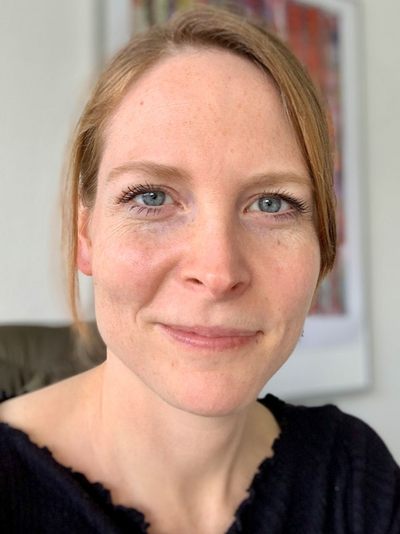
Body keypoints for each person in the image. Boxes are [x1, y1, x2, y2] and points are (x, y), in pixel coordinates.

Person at [0, 6, 399, 534]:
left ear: (323, 244)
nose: (218, 271)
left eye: (272, 204)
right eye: (152, 197)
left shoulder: (353, 473)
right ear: (86, 234)